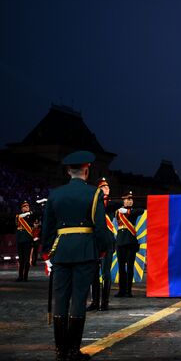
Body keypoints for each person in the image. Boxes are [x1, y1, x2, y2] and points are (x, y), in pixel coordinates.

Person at [41, 150, 109, 361]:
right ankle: (73, 350)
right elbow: (99, 226)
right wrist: (103, 248)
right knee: (78, 299)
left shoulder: (55, 194)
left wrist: (46, 251)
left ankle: (60, 350)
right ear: (87, 170)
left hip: (61, 251)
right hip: (85, 250)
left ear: (68, 171)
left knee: (60, 299)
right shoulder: (94, 194)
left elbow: (48, 228)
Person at [87, 177, 117, 311]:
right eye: (103, 187)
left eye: (108, 187)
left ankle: (104, 302)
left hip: (108, 242)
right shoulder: (92, 203)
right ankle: (94, 302)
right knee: (93, 273)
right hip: (94, 241)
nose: (107, 188)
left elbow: (119, 203)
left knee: (105, 272)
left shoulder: (110, 204)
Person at [114, 191, 144, 298]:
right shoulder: (118, 211)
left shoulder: (134, 211)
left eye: (131, 199)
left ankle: (128, 291)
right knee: (121, 267)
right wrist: (122, 207)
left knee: (130, 267)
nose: (129, 201)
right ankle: (121, 290)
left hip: (131, 242)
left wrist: (127, 210)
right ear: (123, 200)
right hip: (120, 242)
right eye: (127, 199)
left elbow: (141, 211)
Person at [15, 201, 33, 282]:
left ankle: (25, 277)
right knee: (21, 259)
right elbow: (17, 221)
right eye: (25, 207)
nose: (27, 208)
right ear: (22, 208)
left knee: (26, 259)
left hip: (27, 240)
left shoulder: (31, 216)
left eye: (28, 207)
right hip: (20, 240)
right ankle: (20, 276)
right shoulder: (18, 216)